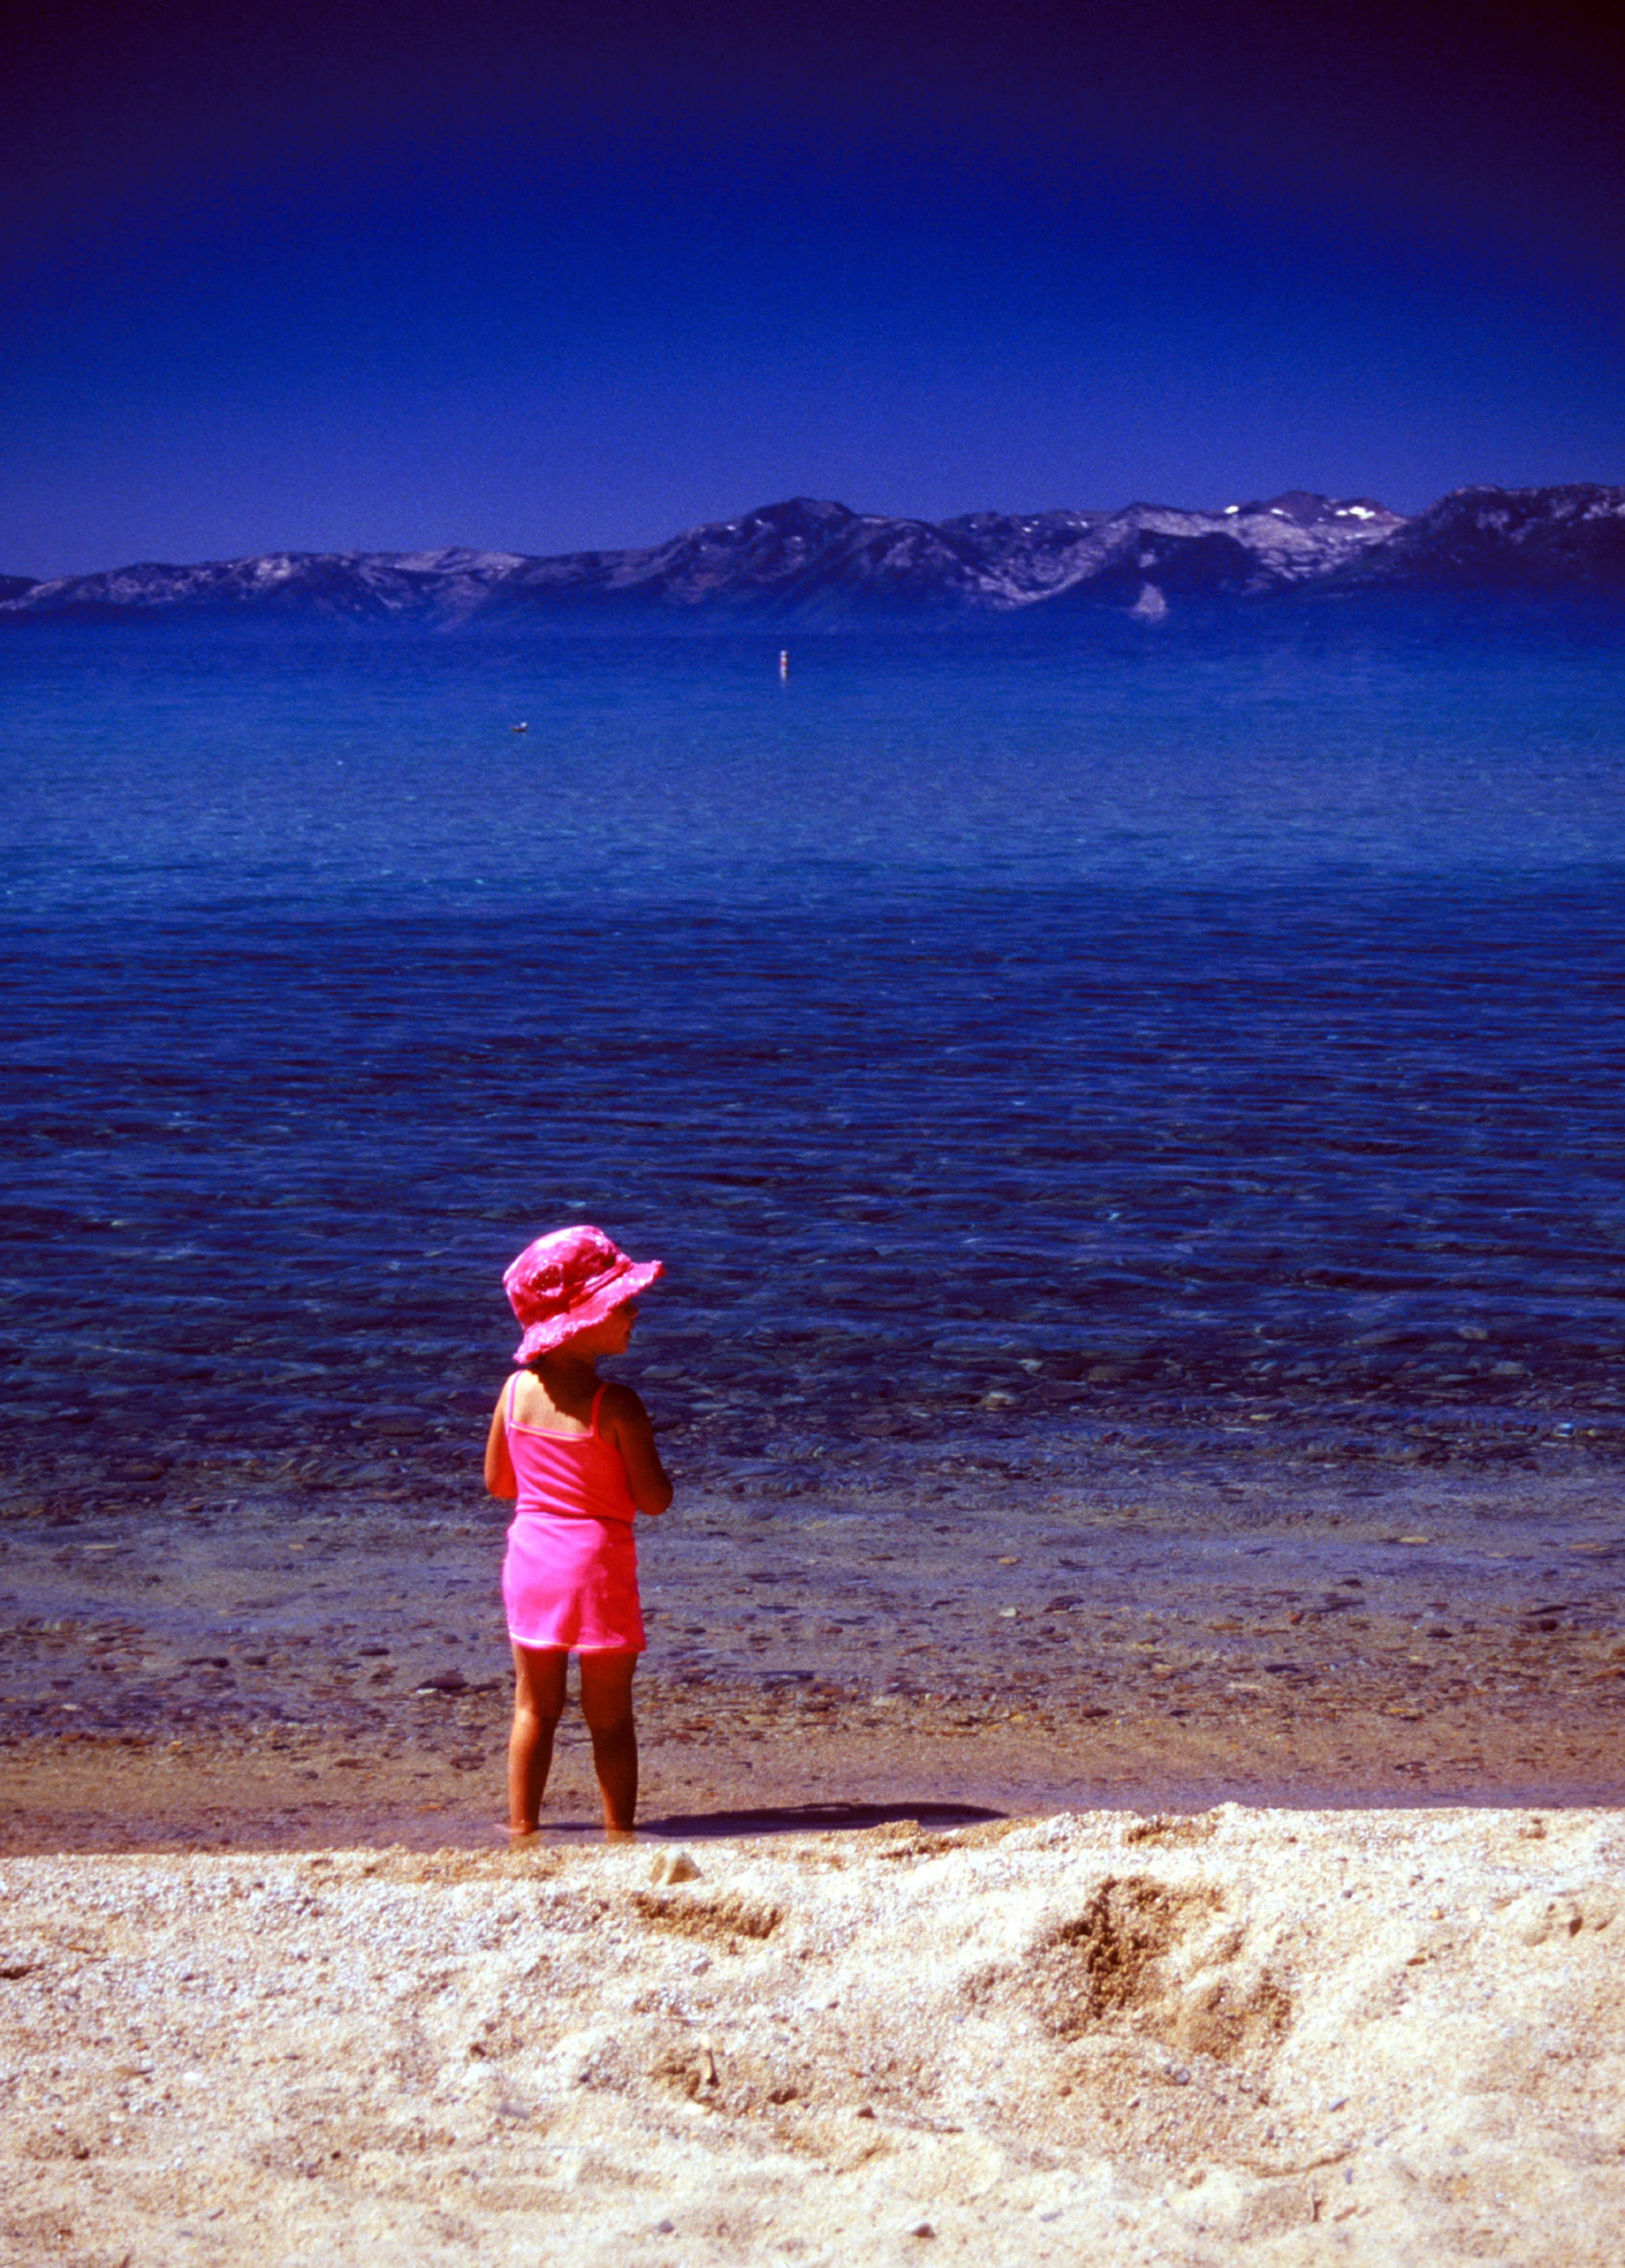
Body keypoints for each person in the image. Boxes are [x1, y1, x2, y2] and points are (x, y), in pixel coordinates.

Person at [485, 1225, 673, 1839]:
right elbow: (653, 1501)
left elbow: (499, 1485)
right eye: (620, 1305)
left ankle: (522, 1829)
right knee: (611, 1717)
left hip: (532, 1564)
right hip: (595, 1570)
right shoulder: (616, 1404)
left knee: (534, 1708)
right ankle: (619, 1829)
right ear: (578, 1320)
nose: (634, 1313)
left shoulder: (513, 1393)